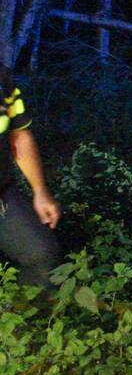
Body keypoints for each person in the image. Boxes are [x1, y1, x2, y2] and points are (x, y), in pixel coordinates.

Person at [0, 65, 61, 287]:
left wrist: (40, 192)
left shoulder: (2, 76)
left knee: (41, 254)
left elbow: (19, 136)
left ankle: (29, 316)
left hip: (2, 195)